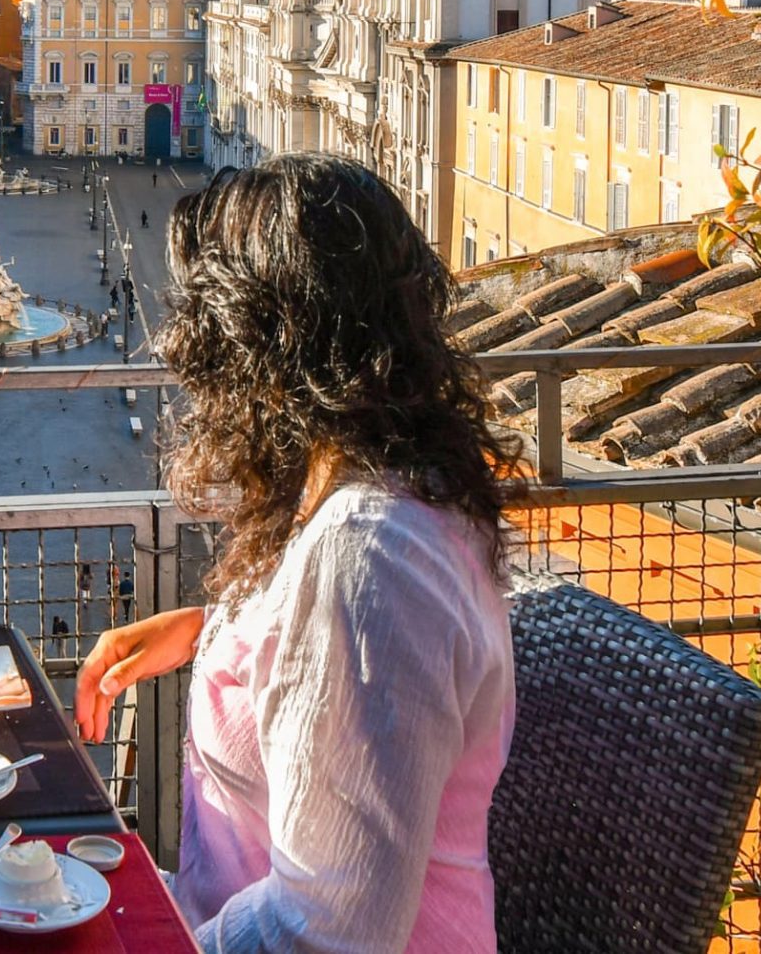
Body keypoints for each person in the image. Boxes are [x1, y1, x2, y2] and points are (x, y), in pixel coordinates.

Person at [77, 154, 516, 952]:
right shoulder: (394, 496)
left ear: (263, 349)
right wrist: (220, 633)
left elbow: (328, 932)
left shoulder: (370, 556)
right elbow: (361, 676)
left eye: (204, 322)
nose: (184, 349)